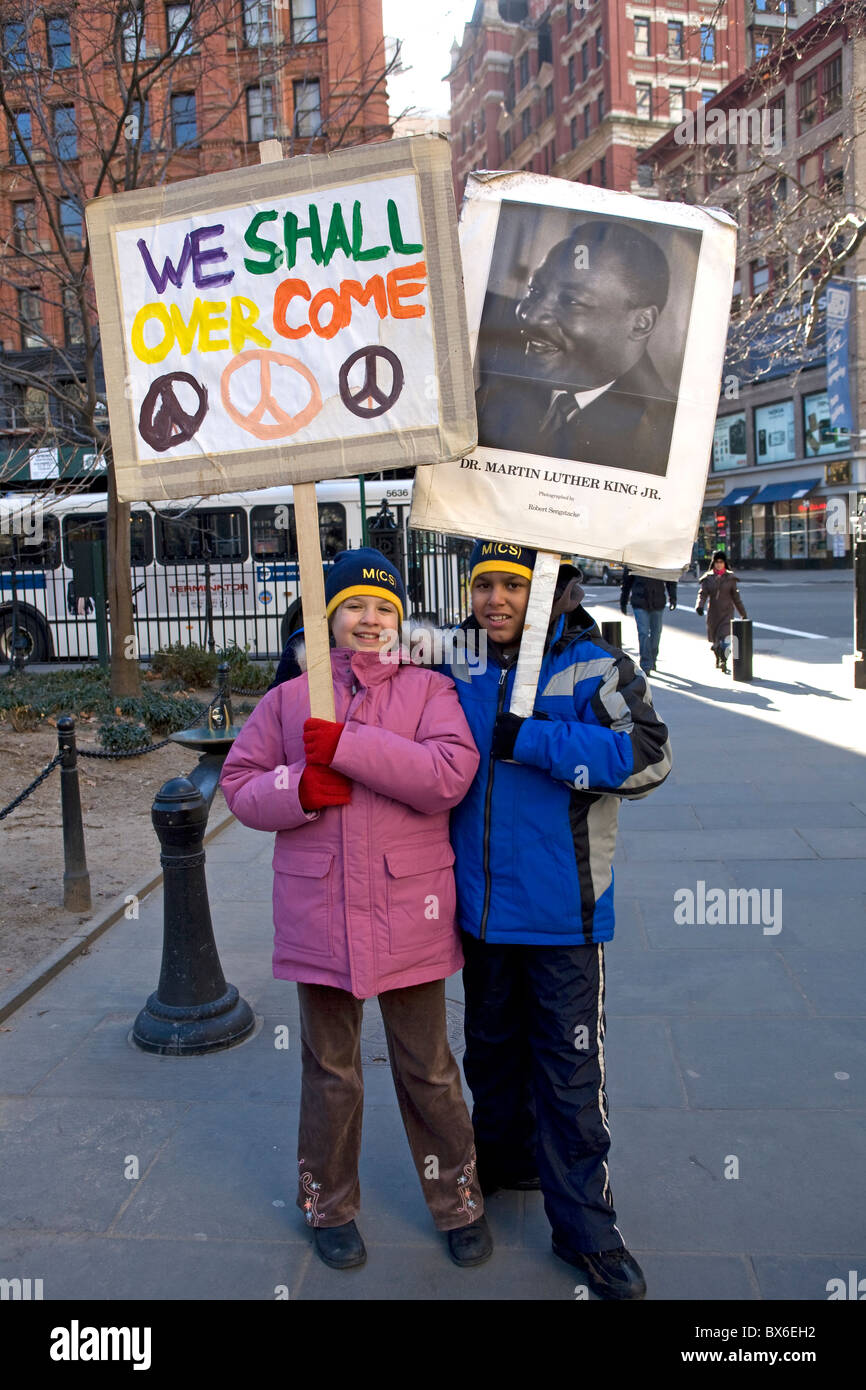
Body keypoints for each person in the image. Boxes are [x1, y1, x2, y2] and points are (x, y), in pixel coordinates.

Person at [219, 548, 492, 1272]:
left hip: (411, 910)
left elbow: (447, 777)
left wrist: (350, 746)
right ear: (328, 615)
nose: (369, 620)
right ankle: (329, 1204)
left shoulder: (430, 692)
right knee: (331, 1071)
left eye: (384, 608)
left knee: (428, 1068)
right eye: (354, 607)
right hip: (323, 913)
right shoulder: (289, 699)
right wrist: (300, 788)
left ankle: (458, 1200)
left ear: (399, 620)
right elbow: (241, 783)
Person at [439, 539, 673, 1300]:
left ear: (556, 588)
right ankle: (505, 1163)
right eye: (486, 585)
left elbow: (647, 757)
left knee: (571, 1075)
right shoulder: (456, 661)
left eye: (516, 584)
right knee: (490, 1053)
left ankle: (586, 1230)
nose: (497, 600)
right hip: (480, 916)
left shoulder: (594, 664)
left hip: (563, 919)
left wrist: (533, 740)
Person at [475, 220, 676, 475]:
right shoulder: (491, 398)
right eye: (534, 291)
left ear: (641, 323)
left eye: (571, 301)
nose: (531, 316)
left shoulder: (669, 436)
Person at [695, 549, 747, 674]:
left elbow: (736, 598)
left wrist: (742, 613)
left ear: (724, 563)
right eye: (717, 562)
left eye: (721, 562)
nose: (719, 564)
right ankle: (718, 657)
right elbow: (702, 594)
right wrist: (699, 606)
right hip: (713, 614)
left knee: (726, 639)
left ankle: (724, 660)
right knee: (715, 642)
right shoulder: (708, 578)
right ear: (713, 563)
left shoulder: (730, 578)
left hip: (727, 613)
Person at [619, 566, 677, 676]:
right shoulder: (634, 560)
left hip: (657, 601)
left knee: (656, 633)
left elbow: (670, 578)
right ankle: (646, 664)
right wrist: (623, 601)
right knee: (643, 633)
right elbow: (627, 582)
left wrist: (673, 597)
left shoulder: (661, 560)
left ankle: (652, 659)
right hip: (640, 601)